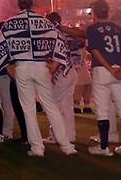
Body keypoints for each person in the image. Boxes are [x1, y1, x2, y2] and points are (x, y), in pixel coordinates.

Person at [0, 0, 75, 157]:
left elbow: (0, 48)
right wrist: (54, 65)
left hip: (22, 67)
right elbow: (61, 43)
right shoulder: (45, 21)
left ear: (18, 5)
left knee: (28, 109)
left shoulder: (10, 23)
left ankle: (37, 148)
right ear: (32, 4)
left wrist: (10, 69)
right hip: (41, 66)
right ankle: (67, 146)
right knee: (51, 107)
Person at [84, 0, 121, 156]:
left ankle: (104, 147)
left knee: (103, 110)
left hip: (103, 70)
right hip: (119, 70)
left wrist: (109, 68)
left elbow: (95, 51)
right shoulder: (117, 28)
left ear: (95, 12)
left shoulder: (92, 28)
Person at [45, 12, 78, 145]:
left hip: (61, 74)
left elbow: (55, 57)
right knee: (67, 107)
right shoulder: (63, 33)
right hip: (70, 71)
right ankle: (70, 136)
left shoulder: (52, 34)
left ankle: (55, 136)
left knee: (54, 107)